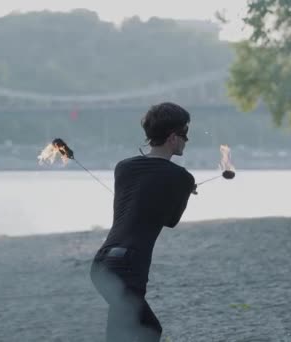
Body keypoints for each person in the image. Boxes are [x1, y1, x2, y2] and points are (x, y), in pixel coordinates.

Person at [90, 102, 196, 341]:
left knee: (121, 330)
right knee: (148, 330)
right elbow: (171, 220)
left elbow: (136, 199)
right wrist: (184, 190)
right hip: (130, 265)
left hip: (101, 264)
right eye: (185, 135)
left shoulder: (123, 167)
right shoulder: (181, 177)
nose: (187, 141)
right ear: (172, 137)